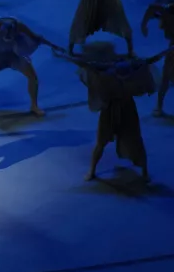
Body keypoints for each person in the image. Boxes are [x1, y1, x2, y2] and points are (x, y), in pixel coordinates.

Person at [54, 44, 170, 181]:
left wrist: (165, 51)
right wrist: (65, 56)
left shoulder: (130, 69)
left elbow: (150, 60)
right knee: (101, 141)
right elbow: (86, 64)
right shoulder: (109, 71)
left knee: (135, 139)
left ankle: (144, 172)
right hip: (109, 109)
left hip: (127, 109)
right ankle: (92, 170)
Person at [0, 17, 63, 117]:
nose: (7, 37)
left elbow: (36, 37)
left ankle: (34, 106)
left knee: (32, 77)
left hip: (13, 54)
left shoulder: (20, 26)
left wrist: (53, 45)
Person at [141, 3, 174, 115]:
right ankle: (159, 108)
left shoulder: (168, 16)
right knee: (166, 77)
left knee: (167, 76)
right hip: (172, 49)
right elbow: (152, 8)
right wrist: (143, 24)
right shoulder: (165, 13)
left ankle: (159, 107)